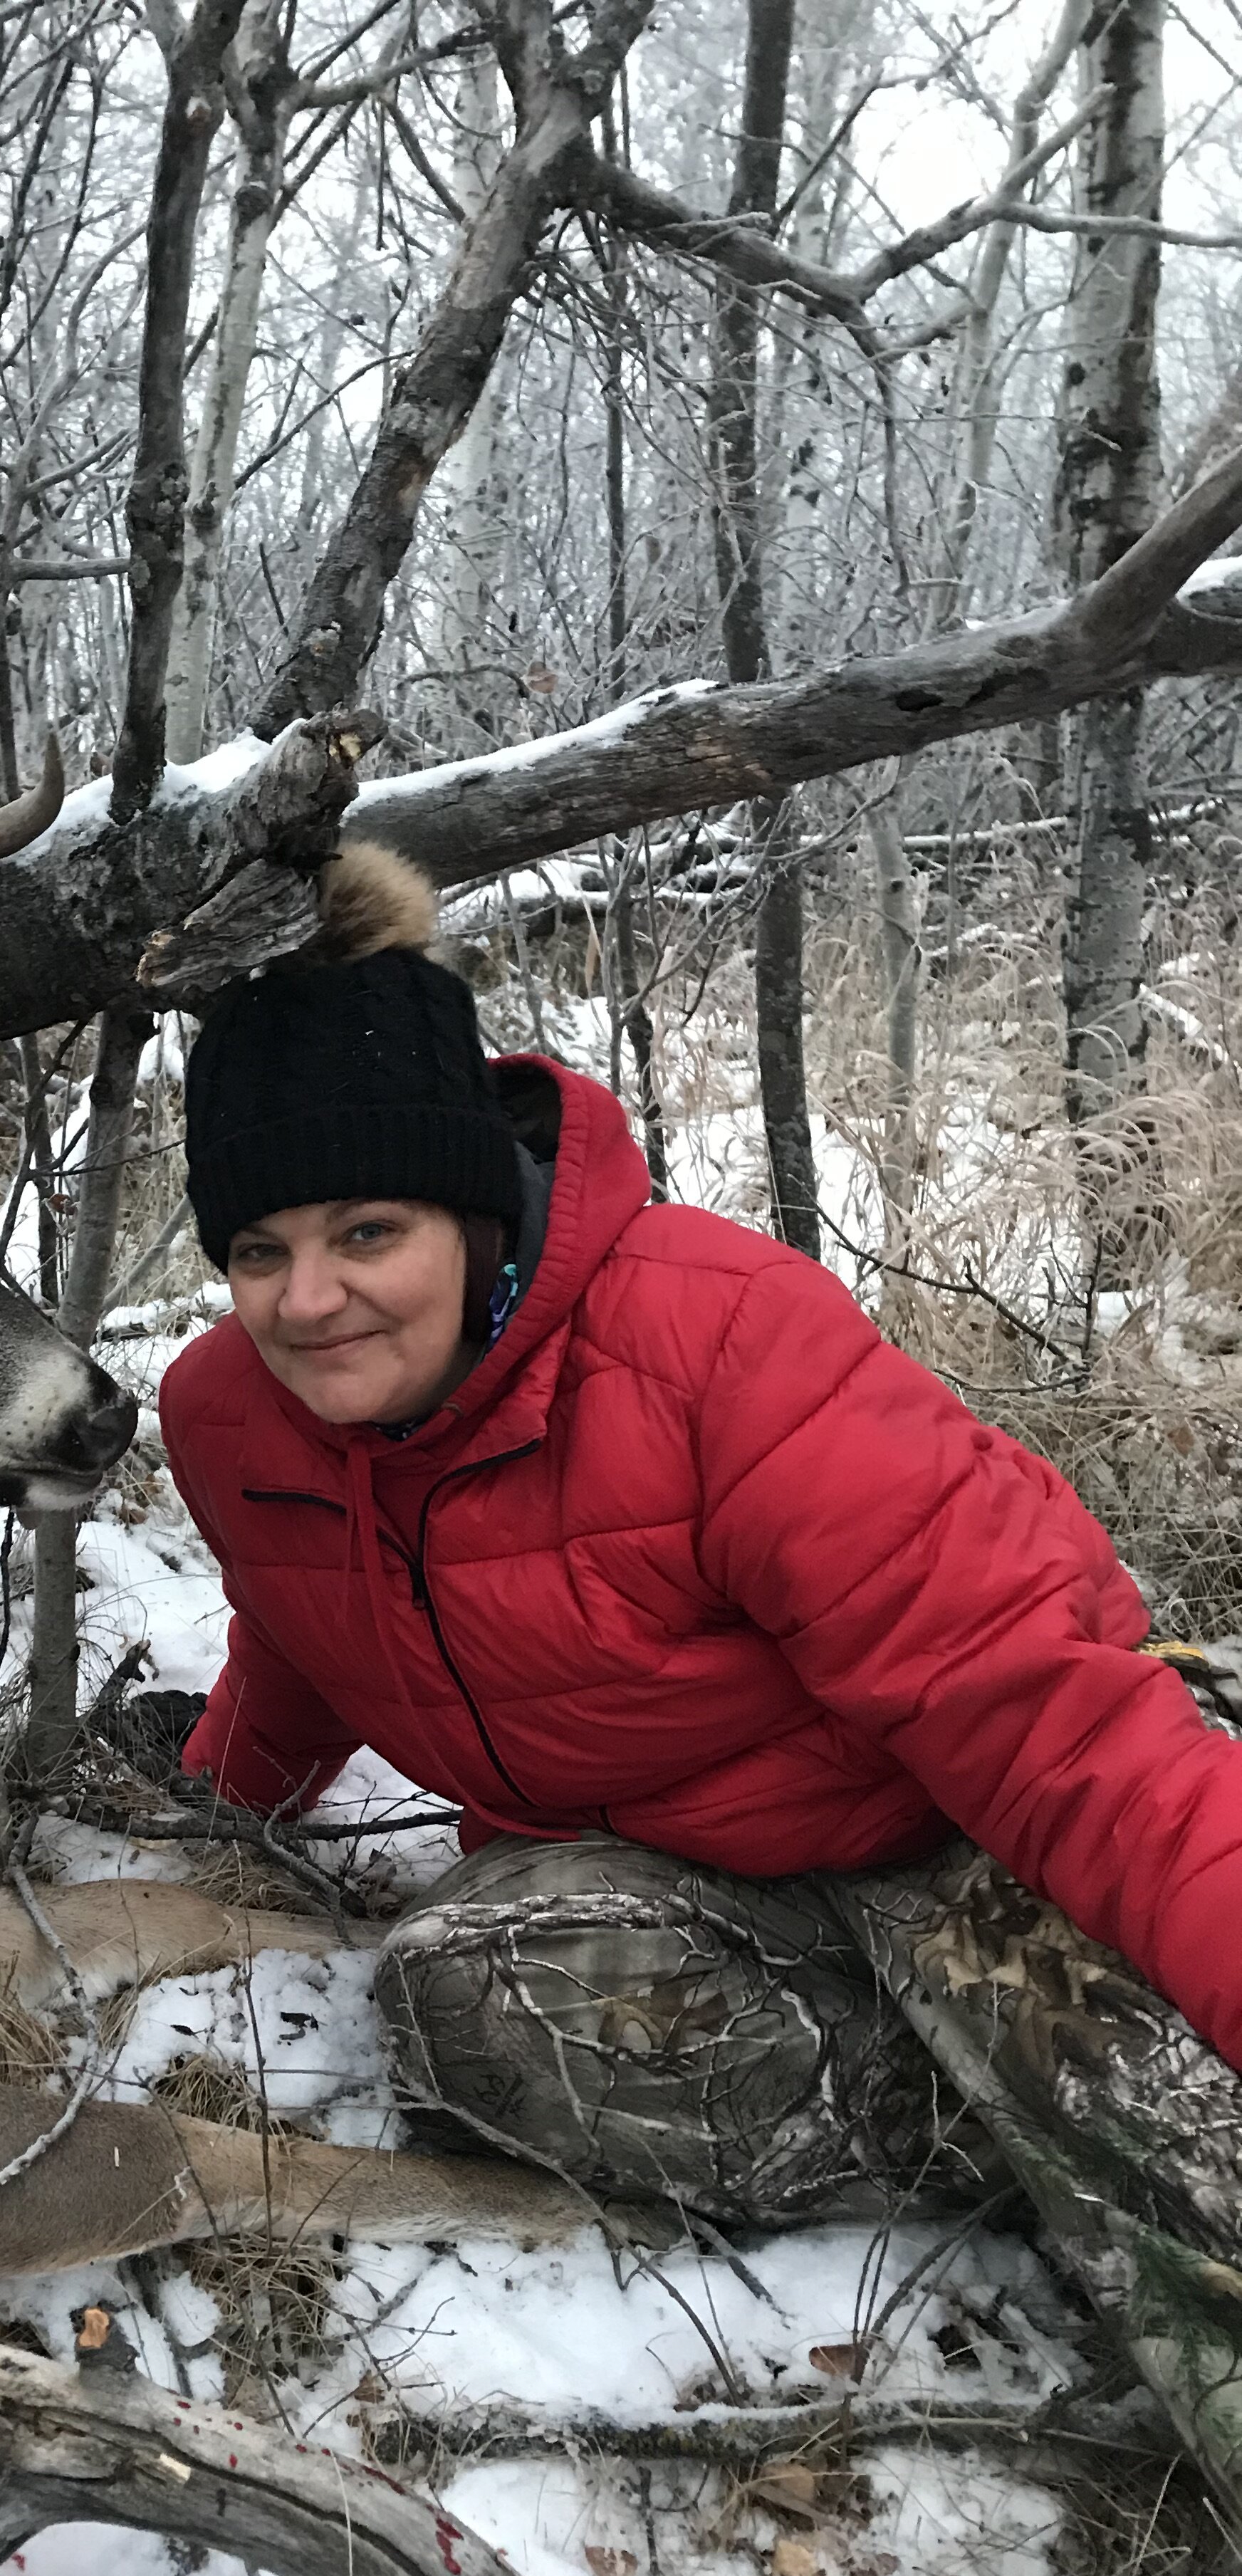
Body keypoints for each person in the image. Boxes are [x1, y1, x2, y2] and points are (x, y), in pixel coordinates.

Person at [153, 843, 1242, 2230]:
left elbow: (1065, 1742)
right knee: (461, 2008)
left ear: (475, 1219)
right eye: (260, 1252)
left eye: (369, 1231)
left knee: (1206, 2140)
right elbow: (307, 1633)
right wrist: (217, 1814)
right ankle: (986, 2136)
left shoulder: (720, 1348)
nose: (309, 1302)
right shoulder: (228, 1414)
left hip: (946, 1819)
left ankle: (1076, 2090)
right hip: (668, 1877)